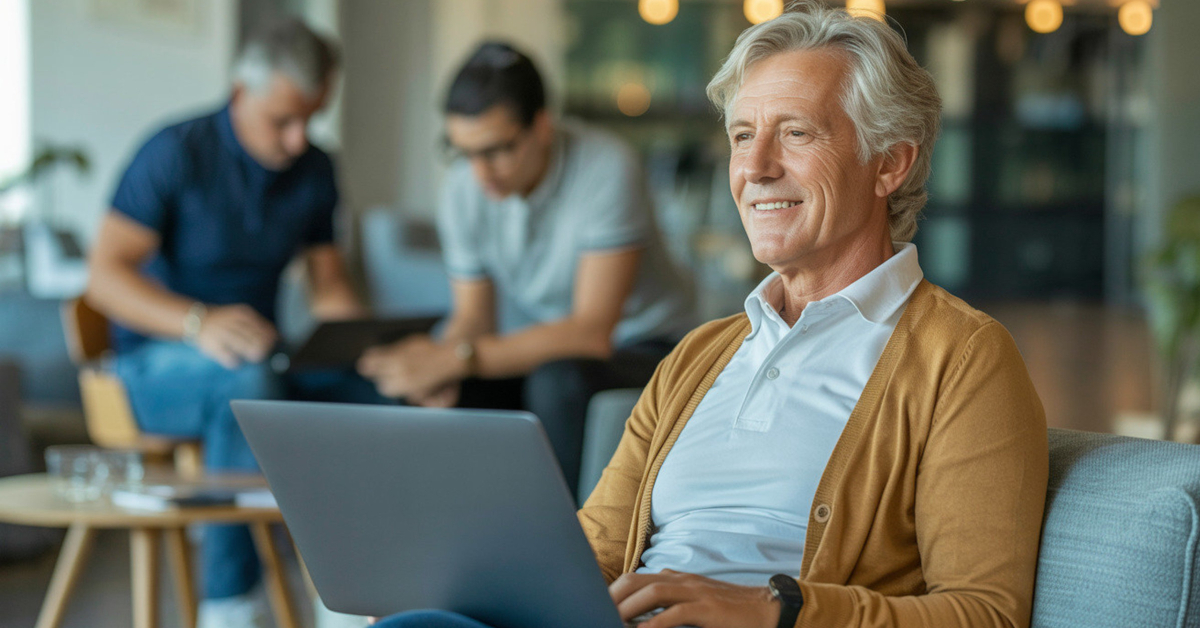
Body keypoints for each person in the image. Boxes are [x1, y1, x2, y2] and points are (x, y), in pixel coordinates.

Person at [374, 3, 1048, 628]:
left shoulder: (962, 357)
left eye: (796, 133)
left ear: (890, 163)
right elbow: (596, 550)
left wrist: (773, 609)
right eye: (742, 135)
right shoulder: (700, 355)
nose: (753, 167)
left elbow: (985, 613)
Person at [86, 18, 376, 628]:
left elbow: (329, 285)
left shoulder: (315, 169)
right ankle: (230, 606)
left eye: (311, 119)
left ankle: (355, 596)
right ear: (241, 93)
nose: (299, 139)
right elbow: (105, 277)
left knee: (378, 391)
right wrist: (197, 322)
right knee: (247, 385)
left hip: (259, 361)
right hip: (151, 364)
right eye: (283, 121)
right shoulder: (174, 152)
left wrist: (368, 348)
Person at [358, 42, 695, 493]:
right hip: (559, 347)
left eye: (497, 150)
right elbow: (474, 319)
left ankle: (570, 551)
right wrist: (441, 368)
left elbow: (591, 332)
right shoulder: (464, 186)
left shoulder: (606, 166)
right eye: (464, 152)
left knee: (556, 382)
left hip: (652, 346)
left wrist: (456, 358)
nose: (480, 174)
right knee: (439, 390)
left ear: (541, 127)